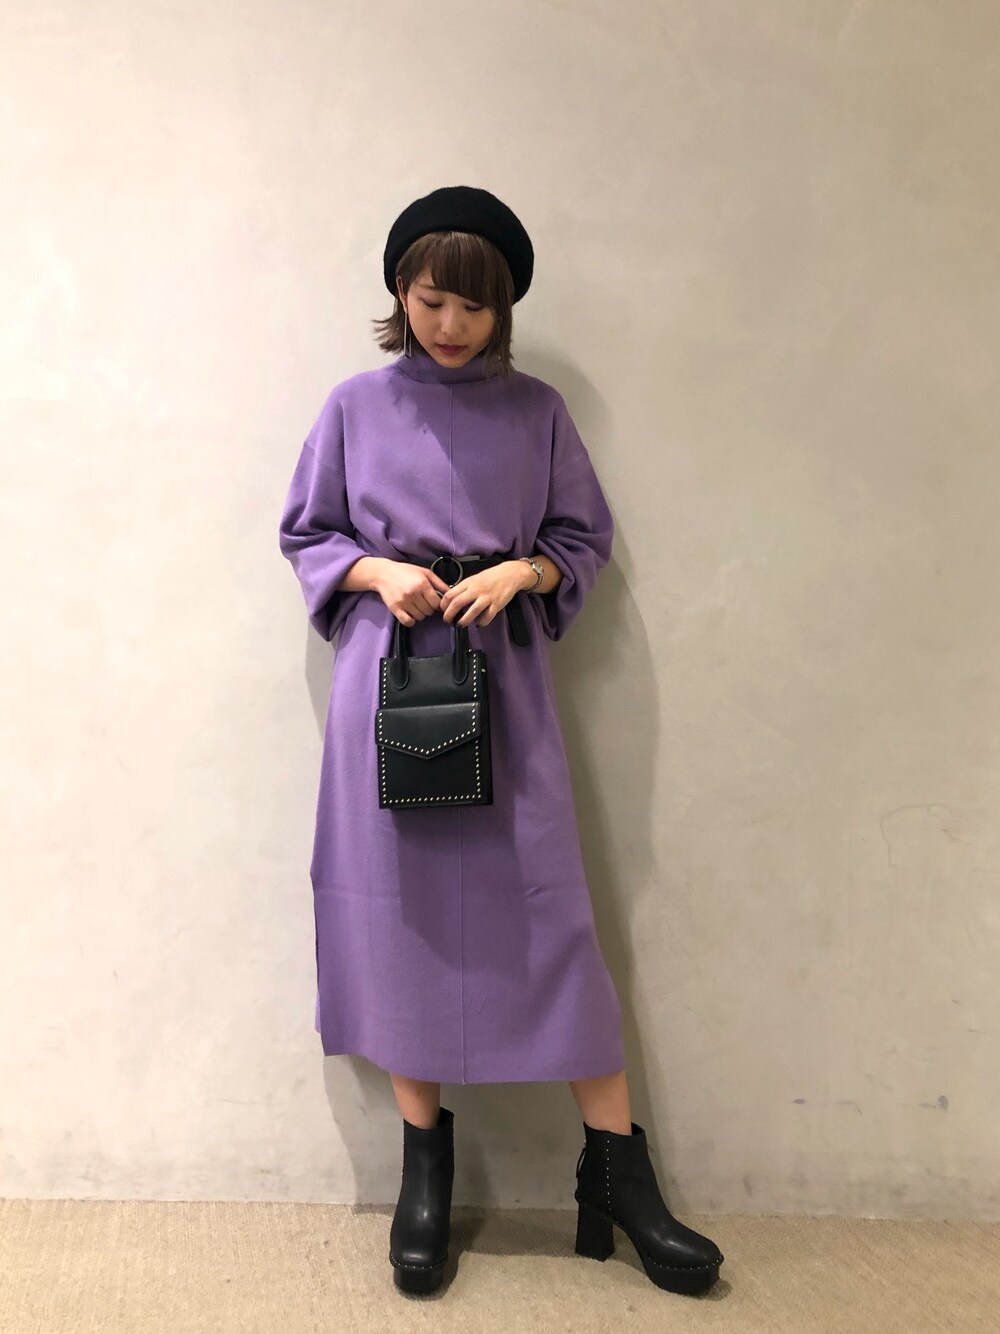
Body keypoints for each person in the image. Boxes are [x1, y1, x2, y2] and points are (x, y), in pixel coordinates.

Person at [278, 185, 724, 1297]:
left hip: (507, 688)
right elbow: (308, 531)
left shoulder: (538, 413)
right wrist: (374, 569)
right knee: (404, 918)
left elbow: (581, 534)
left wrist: (525, 569)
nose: (451, 324)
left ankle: (616, 1171)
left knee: (549, 913)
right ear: (401, 291)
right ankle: (424, 1172)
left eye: (475, 306)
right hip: (391, 684)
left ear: (505, 308)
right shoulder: (354, 407)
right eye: (433, 299)